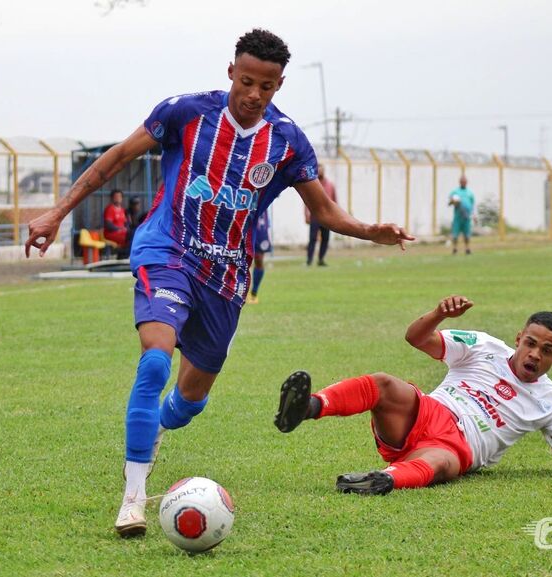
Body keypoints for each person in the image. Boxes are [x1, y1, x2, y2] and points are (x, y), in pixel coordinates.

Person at [24, 28, 414, 537]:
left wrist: (368, 231)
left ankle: (157, 426)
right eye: (246, 81)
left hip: (226, 278)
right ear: (231, 72)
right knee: (154, 361)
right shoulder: (185, 112)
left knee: (187, 403)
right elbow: (118, 158)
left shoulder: (287, 140)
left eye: (267, 87)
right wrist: (57, 212)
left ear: (279, 85)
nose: (254, 95)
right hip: (166, 252)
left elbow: (322, 211)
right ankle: (133, 499)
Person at [274, 294, 552, 494]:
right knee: (384, 383)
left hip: (458, 448)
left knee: (441, 466)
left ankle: (384, 479)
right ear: (518, 338)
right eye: (530, 343)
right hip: (427, 413)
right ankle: (307, 407)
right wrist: (438, 313)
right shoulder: (483, 346)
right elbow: (416, 338)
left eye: (547, 351)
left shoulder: (551, 402)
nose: (534, 354)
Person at [305, 164, 337, 266]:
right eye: (318, 170)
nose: (320, 172)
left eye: (321, 170)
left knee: (325, 238)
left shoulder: (330, 185)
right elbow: (306, 200)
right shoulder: (312, 185)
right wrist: (306, 214)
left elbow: (334, 201)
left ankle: (321, 259)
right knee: (312, 239)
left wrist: (335, 215)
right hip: (315, 216)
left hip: (327, 217)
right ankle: (309, 260)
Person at [246, 210, 271, 304]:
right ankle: (240, 292)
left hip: (260, 223)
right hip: (242, 218)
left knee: (259, 259)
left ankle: (254, 293)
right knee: (239, 259)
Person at [448, 175, 475, 255]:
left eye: (465, 181)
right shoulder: (455, 192)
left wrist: (474, 215)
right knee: (455, 234)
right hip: (458, 217)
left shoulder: (470, 192)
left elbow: (473, 205)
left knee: (467, 234)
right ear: (460, 182)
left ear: (466, 182)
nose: (463, 182)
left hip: (467, 217)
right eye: (462, 181)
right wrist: (454, 202)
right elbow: (449, 203)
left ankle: (467, 248)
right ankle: (455, 248)